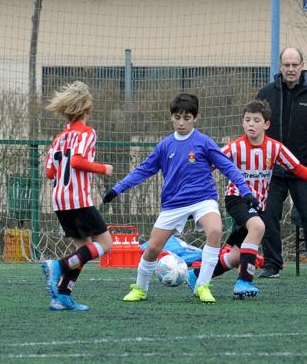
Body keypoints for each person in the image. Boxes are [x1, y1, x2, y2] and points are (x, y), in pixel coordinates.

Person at [103, 93, 259, 303]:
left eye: (186, 118)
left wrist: (246, 192)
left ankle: (202, 285)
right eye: (177, 117)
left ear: (195, 118)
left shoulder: (203, 142)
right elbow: (143, 170)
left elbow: (228, 167)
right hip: (174, 204)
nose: (181, 122)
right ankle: (140, 288)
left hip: (203, 198)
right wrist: (117, 189)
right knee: (153, 248)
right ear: (171, 118)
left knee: (214, 230)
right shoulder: (164, 146)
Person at [188, 100, 307, 298]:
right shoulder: (234, 147)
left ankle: (195, 276)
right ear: (242, 123)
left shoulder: (275, 148)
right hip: (237, 198)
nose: (251, 124)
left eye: (256, 120)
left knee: (237, 256)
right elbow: (209, 165)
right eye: (247, 120)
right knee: (258, 227)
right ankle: (244, 282)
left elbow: (297, 168)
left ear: (266, 124)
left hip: (258, 205)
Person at [257, 47, 307, 279]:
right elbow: (254, 127)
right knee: (267, 216)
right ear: (280, 66)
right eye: (287, 65)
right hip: (272, 169)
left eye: (295, 65)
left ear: (302, 65)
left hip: (305, 168)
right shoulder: (267, 94)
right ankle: (272, 264)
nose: (291, 69)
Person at [40, 81, 114, 311]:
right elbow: (78, 161)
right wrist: (103, 168)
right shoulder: (88, 133)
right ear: (88, 110)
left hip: (59, 201)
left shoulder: (60, 138)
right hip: (78, 199)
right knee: (106, 244)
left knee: (83, 250)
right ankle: (59, 266)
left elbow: (49, 172)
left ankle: (62, 295)